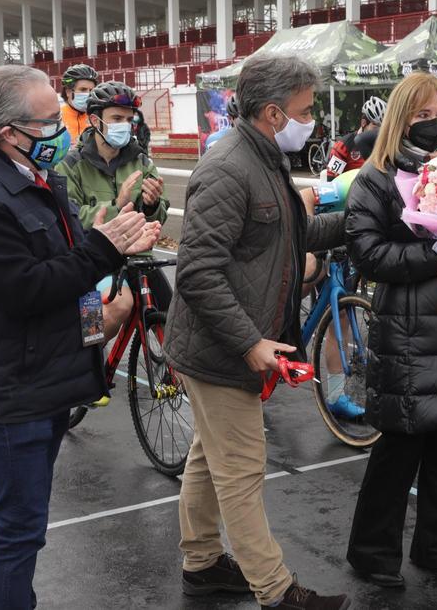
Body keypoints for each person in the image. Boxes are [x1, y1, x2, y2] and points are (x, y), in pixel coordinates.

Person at [0, 65, 159, 609]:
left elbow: (67, 257)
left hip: (46, 377)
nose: (62, 129)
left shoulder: (37, 180)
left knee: (27, 525)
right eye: (48, 122)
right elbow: (26, 290)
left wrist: (114, 225)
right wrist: (103, 248)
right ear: (9, 132)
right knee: (19, 530)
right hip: (12, 391)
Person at [164, 54, 349, 610]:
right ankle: (275, 590)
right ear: (273, 113)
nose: (311, 119)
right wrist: (249, 342)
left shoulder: (264, 157)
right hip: (221, 350)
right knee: (241, 471)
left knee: (208, 456)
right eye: (305, 110)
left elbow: (293, 234)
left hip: (218, 346)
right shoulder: (229, 167)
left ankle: (201, 565)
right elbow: (196, 273)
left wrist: (364, 216)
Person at [344, 71, 437, 589]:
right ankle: (372, 552)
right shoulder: (375, 178)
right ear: (399, 117)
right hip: (407, 328)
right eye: (421, 115)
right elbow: (368, 254)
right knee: (400, 448)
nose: (432, 125)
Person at [62, 80, 171, 339]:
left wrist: (154, 204)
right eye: (116, 118)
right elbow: (70, 217)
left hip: (139, 259)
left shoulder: (141, 159)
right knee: (100, 322)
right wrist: (116, 206)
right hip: (93, 260)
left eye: (129, 119)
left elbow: (159, 215)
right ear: (95, 121)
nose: (124, 124)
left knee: (174, 319)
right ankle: (89, 364)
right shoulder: (71, 164)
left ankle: (171, 377)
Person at [326, 95, 386, 178]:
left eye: (383, 128)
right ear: (364, 123)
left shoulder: (386, 145)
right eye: (376, 127)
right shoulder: (343, 145)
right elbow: (331, 178)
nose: (379, 132)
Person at [61, 63, 100, 142]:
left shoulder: (97, 117)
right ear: (68, 92)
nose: (88, 94)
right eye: (83, 89)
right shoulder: (57, 118)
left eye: (91, 90)